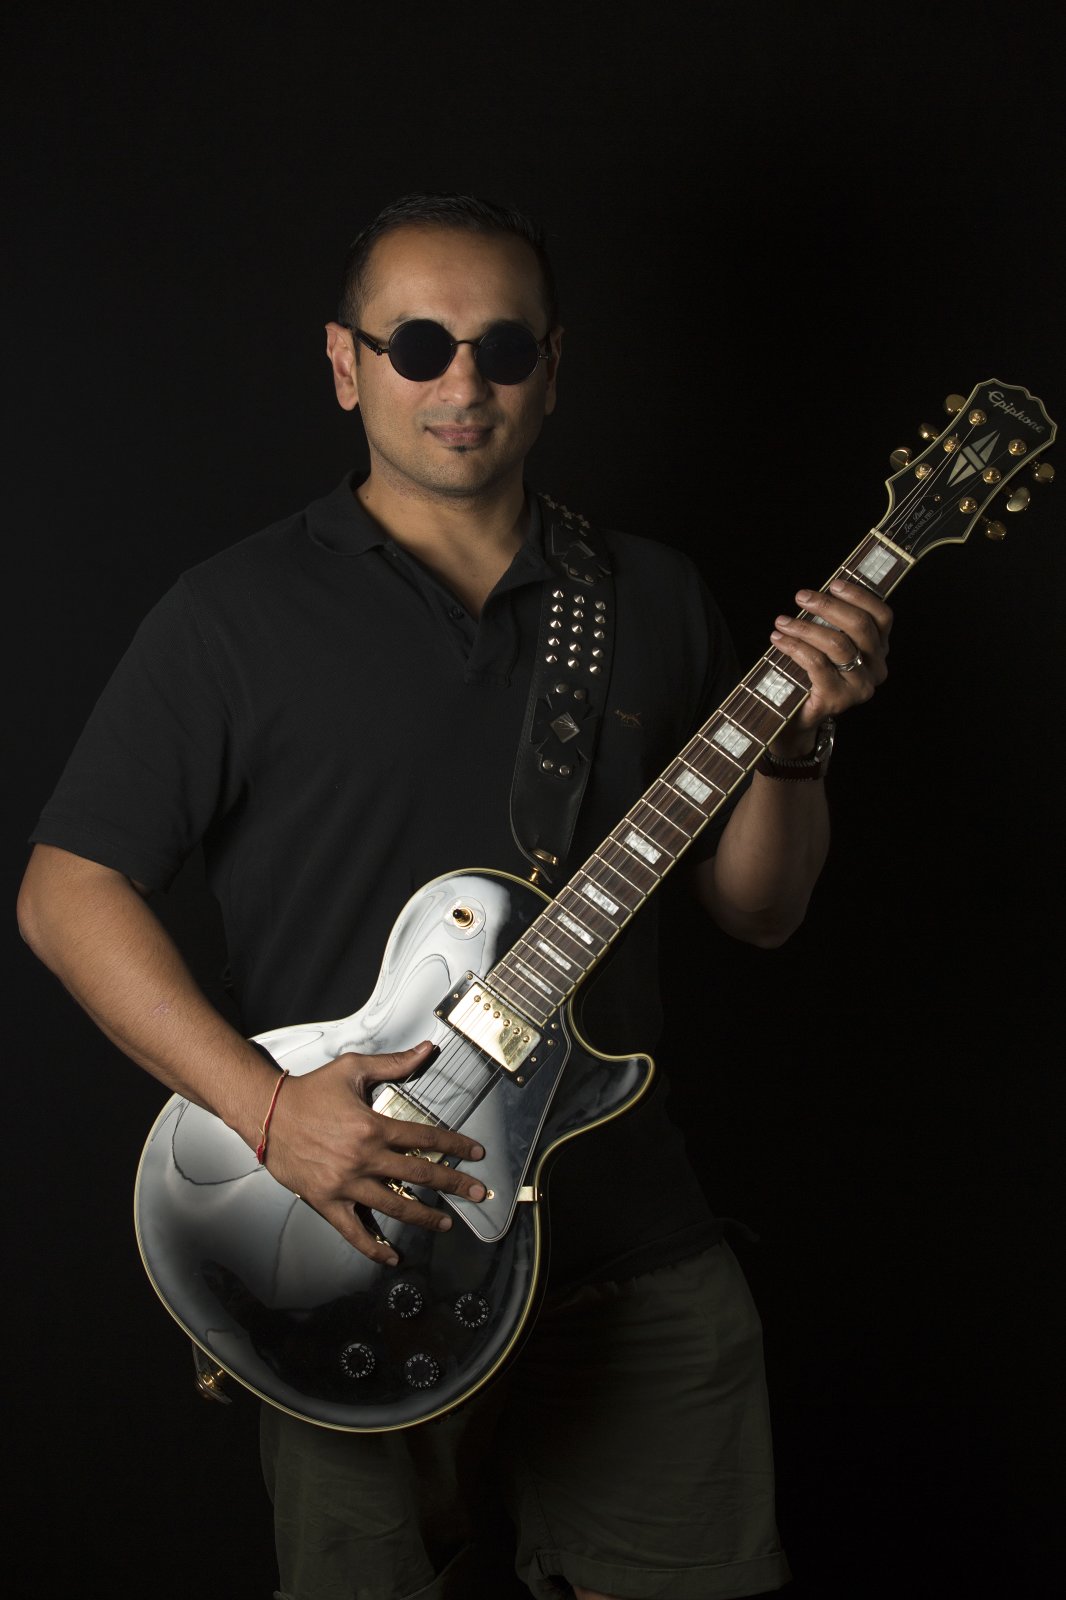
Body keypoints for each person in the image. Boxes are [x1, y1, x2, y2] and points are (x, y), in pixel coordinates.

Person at [17, 193, 891, 1600]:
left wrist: (795, 747)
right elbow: (67, 892)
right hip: (355, 1242)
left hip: (631, 1238)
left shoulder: (653, 595)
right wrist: (265, 1112)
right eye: (417, 344)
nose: (462, 383)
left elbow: (760, 911)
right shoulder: (231, 614)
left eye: (503, 347)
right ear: (345, 363)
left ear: (554, 367)